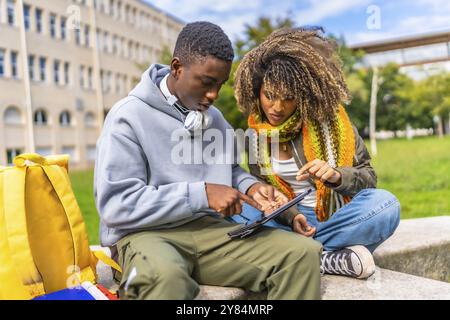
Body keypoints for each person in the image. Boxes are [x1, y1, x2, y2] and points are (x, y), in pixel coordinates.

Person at [94, 21, 322, 300]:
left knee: (301, 254)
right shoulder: (127, 117)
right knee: (163, 278)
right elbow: (117, 206)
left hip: (210, 231)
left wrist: (252, 187)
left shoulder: (214, 119)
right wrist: (201, 194)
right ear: (177, 68)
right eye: (206, 82)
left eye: (220, 85)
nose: (213, 95)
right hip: (146, 235)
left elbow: (231, 171)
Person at [231, 27, 401, 279]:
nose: (277, 107)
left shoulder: (334, 124)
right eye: (270, 96)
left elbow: (369, 178)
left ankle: (297, 254)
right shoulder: (255, 135)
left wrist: (336, 176)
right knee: (236, 208)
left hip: (337, 218)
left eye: (288, 98)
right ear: (257, 90)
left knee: (386, 204)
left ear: (301, 94)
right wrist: (291, 215)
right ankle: (327, 257)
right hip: (288, 220)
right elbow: (263, 190)